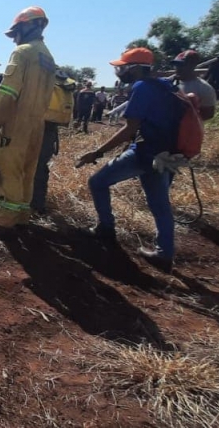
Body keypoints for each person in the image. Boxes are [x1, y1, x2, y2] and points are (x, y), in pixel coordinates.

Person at [75, 47, 182, 270]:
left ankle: (106, 228)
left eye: (123, 68)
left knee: (97, 182)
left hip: (145, 153)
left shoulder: (142, 87)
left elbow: (129, 127)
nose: (120, 72)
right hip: (167, 154)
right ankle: (165, 253)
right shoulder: (165, 85)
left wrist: (97, 152)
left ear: (134, 69)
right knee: (160, 204)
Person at [0, 6, 57, 240]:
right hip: (37, 124)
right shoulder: (47, 56)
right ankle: (22, 218)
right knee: (26, 172)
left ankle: (4, 224)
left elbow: (7, 93)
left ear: (27, 26)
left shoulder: (23, 53)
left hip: (15, 124)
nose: (14, 39)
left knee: (7, 171)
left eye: (16, 32)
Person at [31, 71, 76, 215]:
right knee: (40, 167)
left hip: (33, 127)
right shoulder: (59, 81)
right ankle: (38, 204)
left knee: (32, 166)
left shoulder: (36, 77)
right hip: (50, 129)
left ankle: (32, 204)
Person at [172, 50, 217, 120]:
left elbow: (208, 114)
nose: (177, 68)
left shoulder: (204, 88)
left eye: (181, 65)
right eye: (176, 65)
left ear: (192, 66)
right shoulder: (170, 83)